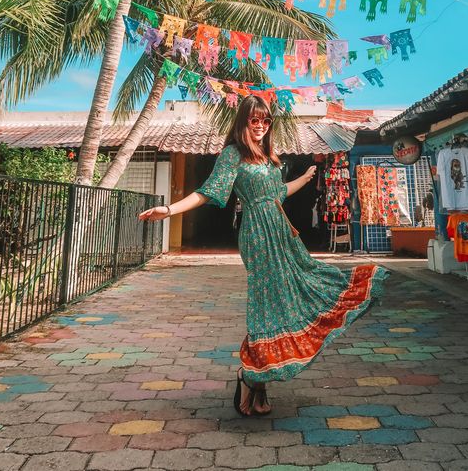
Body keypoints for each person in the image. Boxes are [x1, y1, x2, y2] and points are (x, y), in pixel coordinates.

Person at [140, 94, 388, 416]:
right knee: (266, 306)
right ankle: (249, 375)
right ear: (244, 122)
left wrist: (304, 178)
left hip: (283, 232)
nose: (260, 126)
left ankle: (259, 383)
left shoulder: (269, 155)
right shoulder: (233, 154)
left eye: (265, 120)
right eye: (253, 120)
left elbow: (278, 193)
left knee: (291, 296)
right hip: (258, 235)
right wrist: (169, 209)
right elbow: (208, 192)